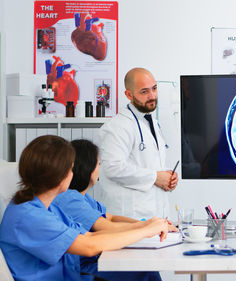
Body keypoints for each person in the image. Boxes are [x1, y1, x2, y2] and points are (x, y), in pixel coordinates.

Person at [0, 135, 170, 281]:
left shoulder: (44, 208)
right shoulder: (28, 216)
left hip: (73, 275)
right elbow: (89, 246)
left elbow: (89, 235)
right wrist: (144, 231)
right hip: (73, 276)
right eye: (70, 168)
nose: (73, 173)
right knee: (144, 274)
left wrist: (146, 226)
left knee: (142, 272)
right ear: (60, 175)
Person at [53, 139, 178, 280]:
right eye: (99, 164)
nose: (100, 169)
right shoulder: (69, 199)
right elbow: (107, 226)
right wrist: (147, 228)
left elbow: (110, 217)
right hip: (82, 269)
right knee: (146, 273)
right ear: (87, 167)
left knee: (147, 271)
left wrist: (148, 223)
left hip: (91, 260)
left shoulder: (83, 198)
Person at [94, 67, 178, 220]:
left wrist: (167, 176)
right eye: (144, 92)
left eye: (154, 88)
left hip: (155, 217)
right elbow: (113, 168)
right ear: (128, 94)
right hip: (129, 218)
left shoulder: (152, 122)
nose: (152, 96)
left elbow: (146, 163)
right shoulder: (117, 127)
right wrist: (155, 177)